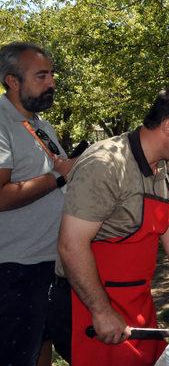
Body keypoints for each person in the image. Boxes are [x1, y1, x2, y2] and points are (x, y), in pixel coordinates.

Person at [52, 87, 169, 366]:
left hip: (137, 300)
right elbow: (70, 245)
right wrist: (101, 311)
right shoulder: (106, 165)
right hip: (88, 302)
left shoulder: (168, 169)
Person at [0, 42, 75, 366]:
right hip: (16, 270)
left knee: (43, 344)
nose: (52, 82)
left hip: (52, 264)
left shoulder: (41, 125)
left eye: (52, 74)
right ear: (12, 81)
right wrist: (59, 177)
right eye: (42, 75)